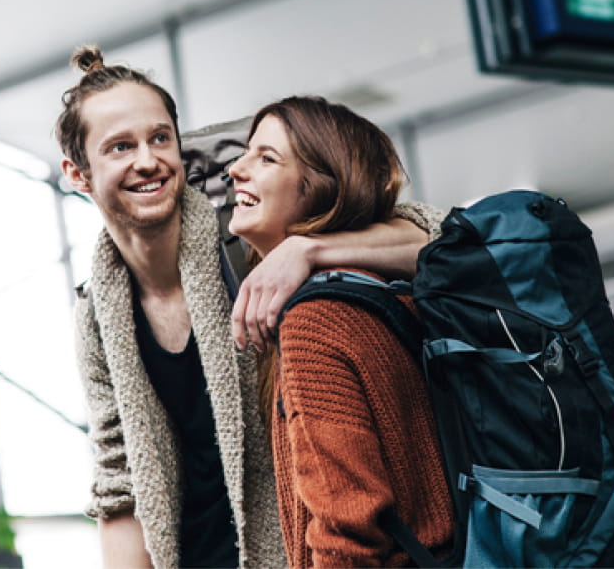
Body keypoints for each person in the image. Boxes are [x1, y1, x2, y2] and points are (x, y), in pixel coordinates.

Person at [56, 46, 443, 568]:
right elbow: (118, 483)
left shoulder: (243, 235)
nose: (147, 160)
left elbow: (441, 240)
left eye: (160, 138)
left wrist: (306, 249)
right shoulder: (100, 314)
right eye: (120, 147)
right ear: (78, 175)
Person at [226, 96, 455, 568]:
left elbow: (346, 528)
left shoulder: (317, 321)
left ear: (320, 191)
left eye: (266, 158)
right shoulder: (396, 296)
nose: (236, 169)